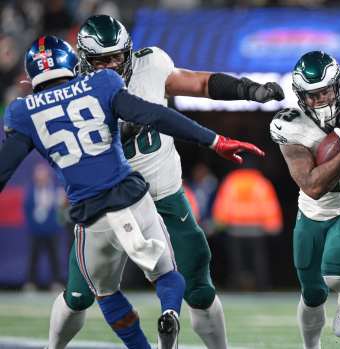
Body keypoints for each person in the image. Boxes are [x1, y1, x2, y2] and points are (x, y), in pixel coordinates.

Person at [0, 36, 263, 349]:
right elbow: (158, 115)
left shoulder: (22, 112)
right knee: (165, 272)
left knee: (107, 294)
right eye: (102, 59)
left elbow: (4, 170)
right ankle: (168, 312)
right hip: (132, 194)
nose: (111, 65)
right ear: (77, 62)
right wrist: (214, 140)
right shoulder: (102, 84)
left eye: (116, 56)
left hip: (94, 211)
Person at [269, 51, 340, 349]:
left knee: (334, 274)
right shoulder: (289, 124)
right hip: (314, 211)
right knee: (312, 293)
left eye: (325, 91)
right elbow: (312, 186)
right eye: (312, 95)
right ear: (300, 97)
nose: (320, 100)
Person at [212, 167, 283, 290]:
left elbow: (224, 203)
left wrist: (219, 223)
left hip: (235, 229)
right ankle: (263, 287)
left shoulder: (231, 181)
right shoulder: (261, 182)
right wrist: (273, 225)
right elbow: (269, 205)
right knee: (258, 261)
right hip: (256, 229)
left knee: (236, 261)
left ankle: (236, 287)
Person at [23, 163, 64, 291]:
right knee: (33, 257)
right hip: (35, 230)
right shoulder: (30, 190)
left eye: (43, 174)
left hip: (51, 229)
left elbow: (60, 209)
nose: (41, 177)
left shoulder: (55, 190)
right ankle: (30, 282)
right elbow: (28, 209)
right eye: (39, 174)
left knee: (54, 257)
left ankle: (56, 282)